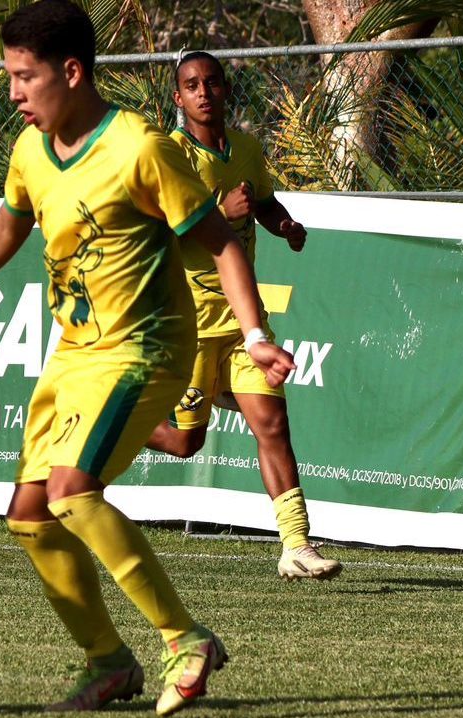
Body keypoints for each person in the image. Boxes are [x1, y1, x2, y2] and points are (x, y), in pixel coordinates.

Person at [0, 1, 295, 716]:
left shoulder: (140, 148)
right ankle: (108, 662)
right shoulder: (30, 151)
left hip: (148, 350)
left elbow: (222, 244)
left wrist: (256, 335)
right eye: (8, 76)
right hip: (74, 355)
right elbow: (7, 227)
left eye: (24, 77)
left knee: (72, 491)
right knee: (30, 516)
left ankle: (185, 640)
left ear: (71, 72)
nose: (12, 92)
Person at [143, 51, 342, 582]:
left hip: (242, 324)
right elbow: (157, 230)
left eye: (211, 82)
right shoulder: (170, 153)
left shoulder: (247, 149)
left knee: (273, 423)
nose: (203, 92)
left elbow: (263, 203)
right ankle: (118, 423)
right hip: (189, 325)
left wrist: (285, 225)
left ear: (226, 90)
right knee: (186, 443)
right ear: (178, 97)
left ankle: (296, 545)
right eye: (191, 85)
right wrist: (217, 213)